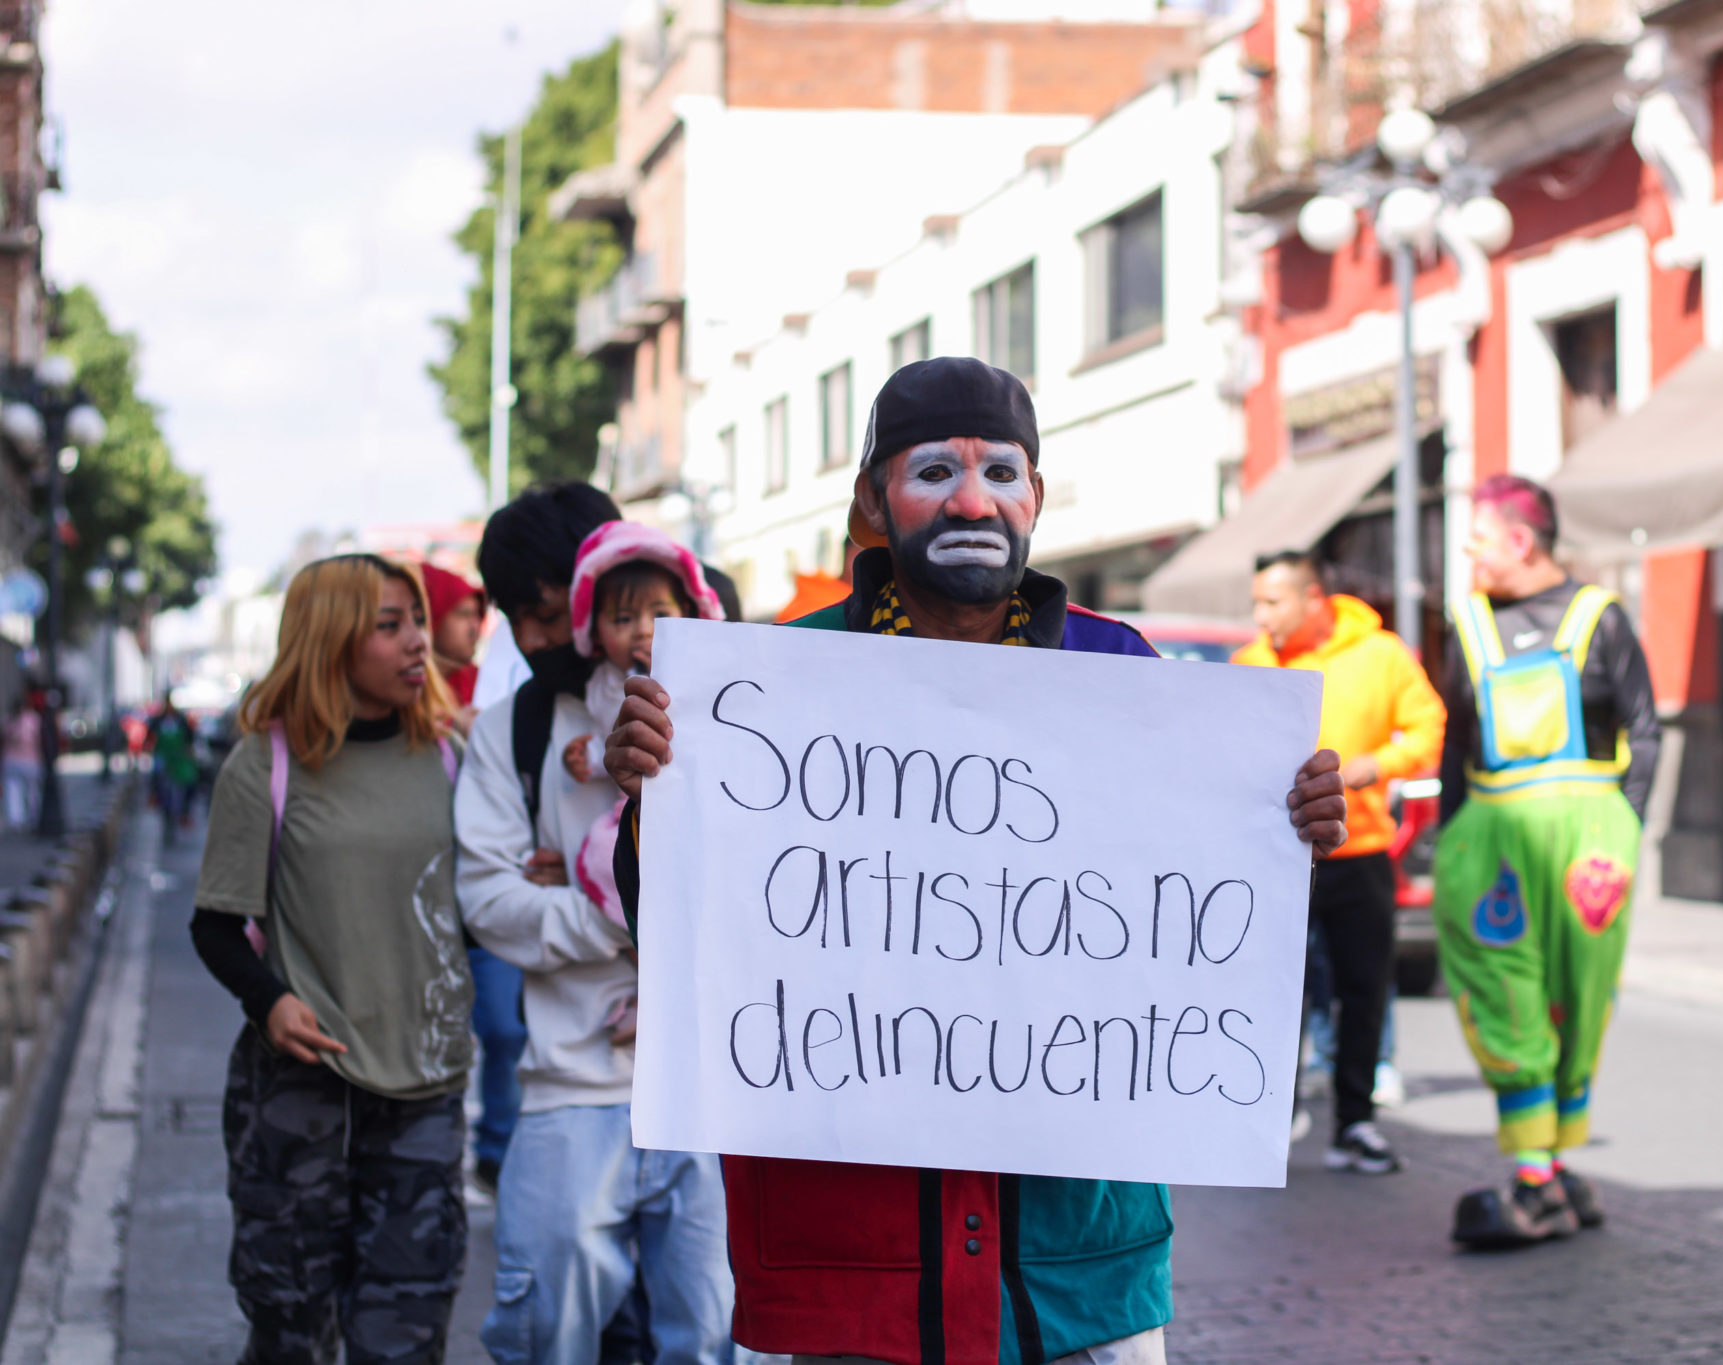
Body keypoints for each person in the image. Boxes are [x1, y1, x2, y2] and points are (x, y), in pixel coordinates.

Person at [604, 355, 1353, 1365]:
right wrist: (654, 798)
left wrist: (1288, 828)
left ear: (1035, 498)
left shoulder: (1123, 672)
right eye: (933, 471)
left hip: (1073, 1259)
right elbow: (680, 927)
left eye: (1002, 473)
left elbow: (1199, 925)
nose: (971, 498)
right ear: (875, 500)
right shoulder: (766, 688)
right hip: (855, 1259)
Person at [455, 482, 737, 1365]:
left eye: (541, 611)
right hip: (573, 1086)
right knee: (549, 1334)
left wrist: (596, 896)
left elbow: (774, 888)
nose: (532, 640)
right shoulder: (520, 731)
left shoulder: (732, 701)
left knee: (721, 1336)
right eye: (516, 618)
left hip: (714, 1091)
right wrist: (620, 912)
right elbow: (491, 900)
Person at [188, 554, 473, 1363]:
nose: (419, 641)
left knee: (405, 1335)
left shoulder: (450, 755)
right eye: (391, 626)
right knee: (290, 1330)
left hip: (423, 1089)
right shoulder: (266, 763)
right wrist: (270, 1001)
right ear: (332, 640)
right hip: (299, 1096)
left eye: (417, 620)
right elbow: (214, 924)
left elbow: (478, 908)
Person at [1430, 474, 1661, 1248]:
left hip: (1588, 848)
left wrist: (1624, 825)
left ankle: (1553, 1164)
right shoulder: (1463, 625)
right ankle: (1534, 1169)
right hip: (1491, 844)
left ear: (1520, 541)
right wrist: (1454, 843)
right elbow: (1457, 738)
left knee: (1578, 999)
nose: (1467, 552)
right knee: (1506, 995)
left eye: (1478, 537)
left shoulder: (1601, 617)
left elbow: (1645, 728)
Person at [1232, 550, 1445, 1173]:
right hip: (1278, 860)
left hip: (1362, 852)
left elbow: (1427, 727)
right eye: (1257, 603)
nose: (1260, 615)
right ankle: (1270, 1116)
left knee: (1364, 990)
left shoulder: (1380, 655)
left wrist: (1373, 767)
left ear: (1313, 599)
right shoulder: (1250, 664)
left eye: (1272, 602)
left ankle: (1355, 1125)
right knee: (1272, 995)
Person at [557, 519, 724, 936]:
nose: (643, 629)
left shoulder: (702, 675)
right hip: (634, 813)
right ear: (595, 629)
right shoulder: (602, 687)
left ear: (688, 612)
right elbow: (619, 740)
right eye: (624, 618)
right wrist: (591, 756)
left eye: (659, 614)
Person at [418, 561, 524, 1194]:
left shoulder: (492, 691)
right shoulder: (405, 705)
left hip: (486, 894)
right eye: (460, 612)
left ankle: (494, 1146)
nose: (475, 625)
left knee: (504, 1027)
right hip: (426, 902)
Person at [422, 562, 486, 732]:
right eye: (464, 614)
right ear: (431, 617)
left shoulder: (483, 680)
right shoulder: (404, 686)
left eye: (477, 615)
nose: (475, 627)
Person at [148, 695, 201, 830]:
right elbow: (149, 736)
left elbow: (190, 737)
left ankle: (185, 812)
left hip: (179, 756)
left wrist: (188, 752)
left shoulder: (180, 720)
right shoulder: (158, 720)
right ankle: (155, 798)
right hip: (163, 755)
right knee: (156, 774)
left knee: (190, 780)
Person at [4, 695, 40, 830]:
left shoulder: (8, 720)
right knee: (32, 791)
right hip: (29, 761)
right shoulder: (32, 720)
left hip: (11, 761)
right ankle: (33, 817)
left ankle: (17, 820)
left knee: (14, 792)